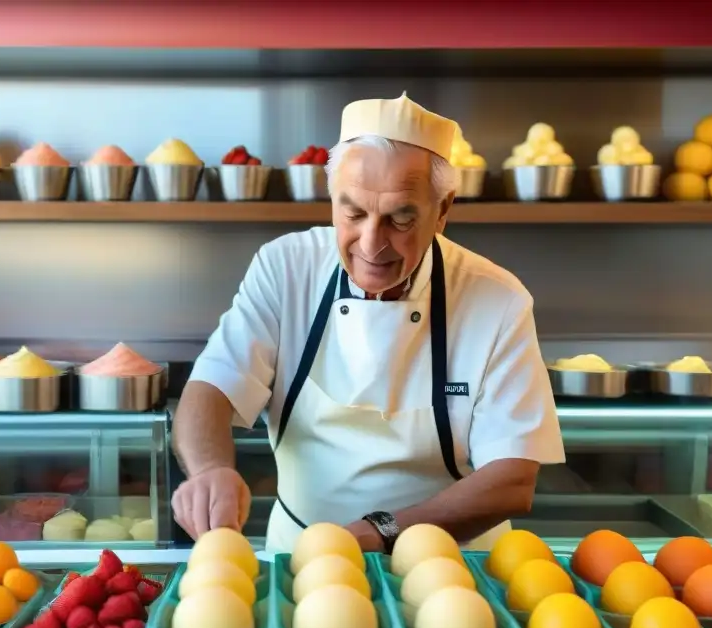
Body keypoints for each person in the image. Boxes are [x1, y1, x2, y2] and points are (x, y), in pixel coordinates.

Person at [172, 92, 564, 554]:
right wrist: (210, 469)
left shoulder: (496, 298)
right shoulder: (286, 268)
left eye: (401, 219)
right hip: (303, 556)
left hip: (451, 562)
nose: (372, 244)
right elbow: (211, 388)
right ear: (332, 198)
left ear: (443, 210)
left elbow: (513, 478)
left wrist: (386, 530)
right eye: (353, 213)